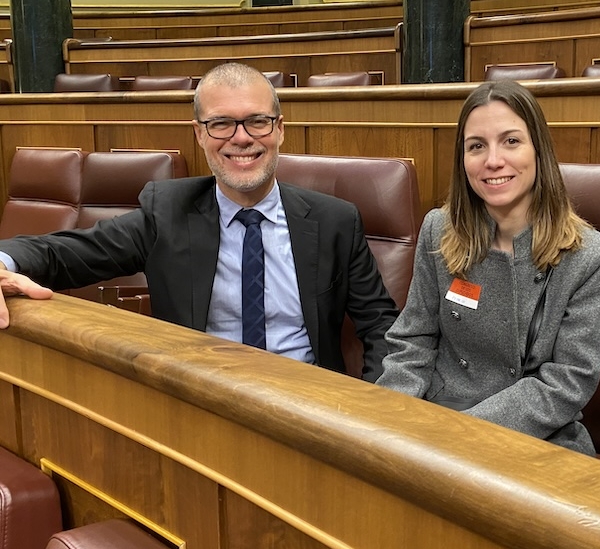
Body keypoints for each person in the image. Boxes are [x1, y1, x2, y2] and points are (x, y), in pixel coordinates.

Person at [0, 62, 398, 381]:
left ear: (280, 129)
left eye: (257, 121)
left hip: (309, 398)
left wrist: (374, 409)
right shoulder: (168, 212)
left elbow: (380, 326)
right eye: (221, 123)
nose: (241, 138)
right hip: (202, 400)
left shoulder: (335, 221)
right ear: (200, 135)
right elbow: (67, 254)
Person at [376, 80, 600, 455]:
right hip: (436, 420)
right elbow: (414, 340)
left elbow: (568, 382)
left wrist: (461, 433)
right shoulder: (438, 230)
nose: (492, 161)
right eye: (476, 146)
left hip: (534, 435)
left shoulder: (591, 256)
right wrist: (390, 420)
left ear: (538, 150)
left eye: (511, 141)